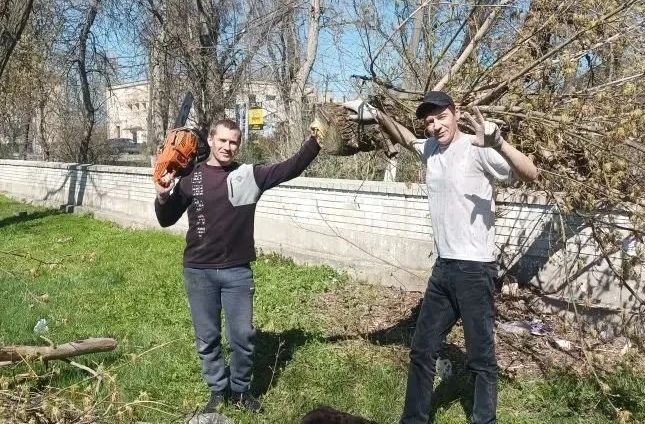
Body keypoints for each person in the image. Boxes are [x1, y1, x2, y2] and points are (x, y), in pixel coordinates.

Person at [352, 91, 538, 424]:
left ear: (456, 114)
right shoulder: (431, 150)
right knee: (422, 350)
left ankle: (484, 420)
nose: (435, 126)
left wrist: (499, 143)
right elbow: (406, 139)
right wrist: (378, 114)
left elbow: (531, 173)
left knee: (480, 358)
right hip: (443, 269)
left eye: (441, 117)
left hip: (475, 270)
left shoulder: (477, 147)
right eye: (429, 121)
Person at [154, 119, 322, 414]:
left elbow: (291, 167)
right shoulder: (191, 176)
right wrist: (162, 195)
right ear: (211, 140)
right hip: (198, 271)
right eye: (222, 140)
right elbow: (166, 219)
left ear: (239, 145)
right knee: (207, 339)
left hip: (237, 272)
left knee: (242, 337)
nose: (227, 147)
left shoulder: (249, 175)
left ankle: (241, 391)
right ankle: (218, 390)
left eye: (233, 142)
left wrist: (316, 142)